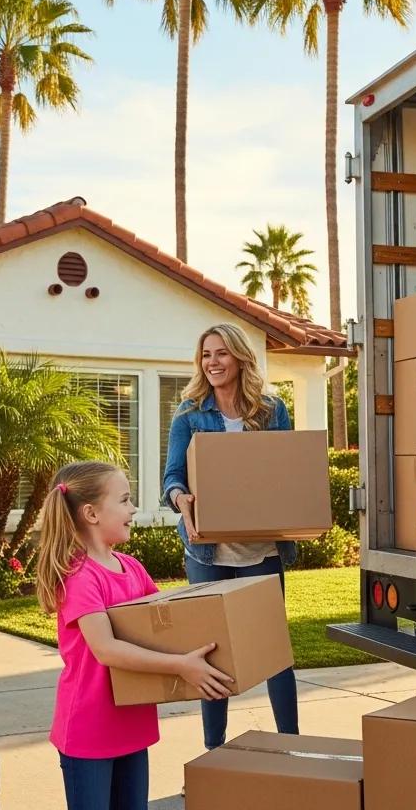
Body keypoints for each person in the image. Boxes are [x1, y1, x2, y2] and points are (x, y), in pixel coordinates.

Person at [38, 460, 231, 810]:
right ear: (91, 513)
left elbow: (170, 623)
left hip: (131, 725)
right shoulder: (80, 577)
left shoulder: (132, 568)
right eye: (125, 500)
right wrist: (181, 666)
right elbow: (106, 650)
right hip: (90, 729)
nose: (134, 509)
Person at [161, 322, 299, 751]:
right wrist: (181, 499)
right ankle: (213, 750)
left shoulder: (272, 410)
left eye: (221, 353)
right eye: (206, 355)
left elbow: (289, 470)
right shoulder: (189, 414)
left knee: (273, 649)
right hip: (207, 549)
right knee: (211, 651)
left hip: (261, 547)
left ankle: (292, 746)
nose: (213, 362)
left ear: (239, 358)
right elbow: (172, 478)